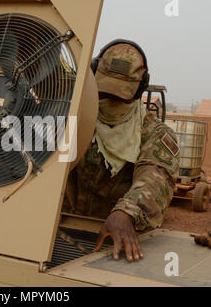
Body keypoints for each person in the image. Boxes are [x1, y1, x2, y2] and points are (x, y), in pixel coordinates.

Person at [63, 40, 180, 262]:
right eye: (105, 93)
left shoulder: (155, 134)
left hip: (120, 239)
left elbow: (156, 179)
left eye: (120, 96)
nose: (111, 101)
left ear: (138, 91)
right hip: (61, 231)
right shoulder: (70, 120)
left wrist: (127, 212)